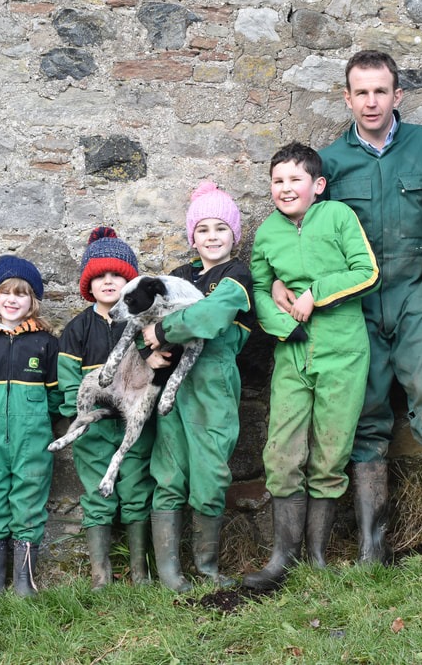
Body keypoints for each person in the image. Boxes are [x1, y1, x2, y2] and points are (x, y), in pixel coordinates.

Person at [299, 50, 422, 566]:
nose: (371, 101)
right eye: (361, 91)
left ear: (398, 96)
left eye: (381, 91)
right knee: (365, 414)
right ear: (347, 97)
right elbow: (309, 235)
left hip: (415, 295)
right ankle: (371, 545)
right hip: (355, 305)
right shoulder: (330, 163)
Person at [243, 142, 379, 590]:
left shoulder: (338, 217)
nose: (286, 188)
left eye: (295, 180)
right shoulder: (266, 234)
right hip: (293, 353)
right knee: (282, 452)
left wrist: (313, 292)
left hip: (343, 349)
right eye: (278, 181)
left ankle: (317, 556)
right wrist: (284, 323)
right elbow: (260, 290)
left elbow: (366, 271)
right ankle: (283, 556)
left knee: (331, 453)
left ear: (317, 186)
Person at [141, 181, 256, 592]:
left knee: (210, 471)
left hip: (213, 381)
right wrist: (147, 348)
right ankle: (171, 573)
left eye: (220, 228)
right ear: (193, 236)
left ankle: (206, 567)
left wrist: (163, 329)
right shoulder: (179, 276)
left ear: (234, 234)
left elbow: (210, 316)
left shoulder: (237, 275)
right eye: (203, 229)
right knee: (169, 470)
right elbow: (146, 320)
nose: (212, 237)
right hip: (174, 381)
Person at [57, 227, 160, 589]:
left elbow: (153, 370)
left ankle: (140, 571)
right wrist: (83, 412)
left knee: (135, 489)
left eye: (117, 274)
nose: (108, 282)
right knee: (96, 496)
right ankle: (101, 575)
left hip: (134, 426)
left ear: (130, 280)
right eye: (99, 276)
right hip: (93, 431)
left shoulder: (143, 323)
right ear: (89, 284)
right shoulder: (77, 329)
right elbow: (69, 380)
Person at [0, 255, 61, 596]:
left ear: (33, 302)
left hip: (32, 439)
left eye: (22, 294)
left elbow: (55, 395)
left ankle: (23, 581)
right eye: (6, 292)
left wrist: (31, 418)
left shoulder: (46, 343)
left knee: (28, 497)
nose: (12, 300)